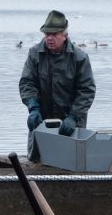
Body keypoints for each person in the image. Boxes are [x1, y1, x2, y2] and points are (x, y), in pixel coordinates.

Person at [19, 10, 96, 162]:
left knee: (71, 161)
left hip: (71, 122)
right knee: (37, 160)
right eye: (47, 34)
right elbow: (27, 82)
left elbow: (86, 90)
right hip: (42, 120)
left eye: (54, 34)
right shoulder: (35, 54)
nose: (50, 38)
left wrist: (74, 116)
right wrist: (33, 107)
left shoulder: (79, 58)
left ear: (65, 35)